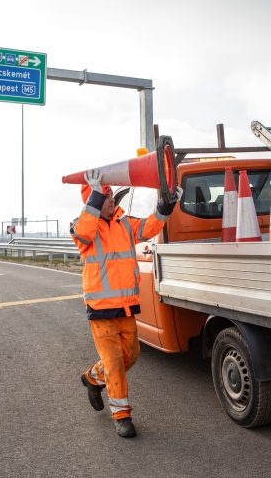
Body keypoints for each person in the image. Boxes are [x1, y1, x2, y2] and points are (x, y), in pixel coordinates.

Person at [70, 168, 182, 438]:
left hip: (126, 307)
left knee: (129, 357)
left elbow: (149, 227)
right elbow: (84, 231)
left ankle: (92, 379)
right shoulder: (82, 227)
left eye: (109, 195)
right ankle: (122, 416)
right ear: (93, 199)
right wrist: (94, 196)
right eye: (106, 196)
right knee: (115, 362)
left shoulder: (124, 223)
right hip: (100, 311)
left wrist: (166, 206)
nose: (111, 200)